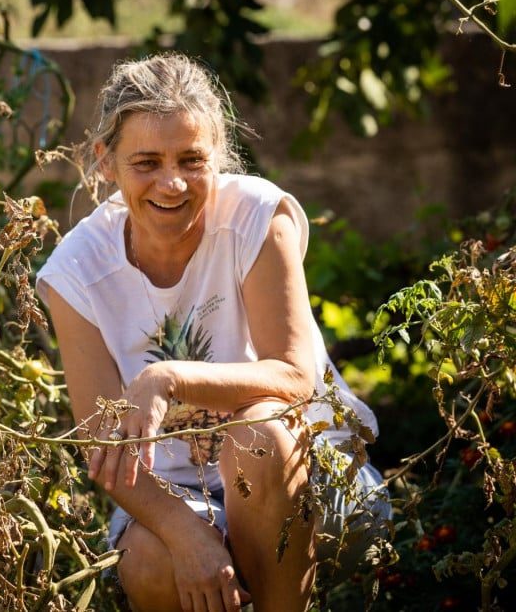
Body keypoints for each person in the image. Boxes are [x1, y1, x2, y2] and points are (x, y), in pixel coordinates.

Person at [35, 52, 390, 611]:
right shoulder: (76, 270)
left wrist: (168, 377)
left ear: (218, 158)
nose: (171, 183)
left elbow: (294, 378)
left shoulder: (253, 216)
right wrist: (186, 533)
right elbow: (105, 446)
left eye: (191, 159)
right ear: (105, 162)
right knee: (151, 562)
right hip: (175, 495)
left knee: (258, 438)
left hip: (315, 482)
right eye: (146, 161)